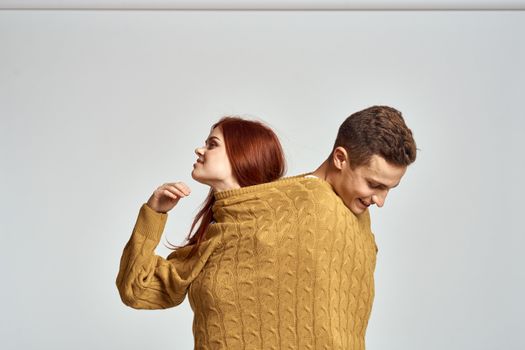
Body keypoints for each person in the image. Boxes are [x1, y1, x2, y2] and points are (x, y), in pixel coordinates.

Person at [117, 106, 417, 350]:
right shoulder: (243, 221)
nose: (380, 201)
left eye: (389, 188)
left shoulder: (351, 226)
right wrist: (153, 214)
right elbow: (140, 289)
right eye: (374, 185)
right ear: (340, 158)